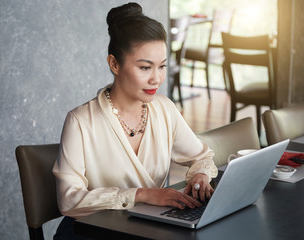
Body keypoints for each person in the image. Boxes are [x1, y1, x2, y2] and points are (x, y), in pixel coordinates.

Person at [53, 2, 218, 239]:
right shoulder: (80, 121)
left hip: (146, 227)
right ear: (114, 64)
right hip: (92, 232)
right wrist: (140, 195)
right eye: (145, 67)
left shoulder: (164, 108)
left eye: (162, 66)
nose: (157, 79)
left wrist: (201, 175)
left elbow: (201, 156)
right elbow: (68, 200)